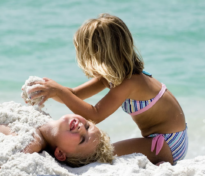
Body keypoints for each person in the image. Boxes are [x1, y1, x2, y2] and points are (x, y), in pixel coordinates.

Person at [27, 13, 188, 165]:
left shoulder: (130, 82)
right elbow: (75, 94)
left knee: (104, 155)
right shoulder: (113, 77)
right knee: (105, 153)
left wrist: (59, 91)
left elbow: (95, 115)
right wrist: (48, 90)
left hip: (168, 143)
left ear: (97, 56)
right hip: (165, 138)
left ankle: (160, 160)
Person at [0, 107, 114, 167]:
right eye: (87, 126)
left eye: (82, 139)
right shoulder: (42, 115)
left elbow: (0, 165)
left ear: (61, 153)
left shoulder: (33, 141)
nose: (81, 128)